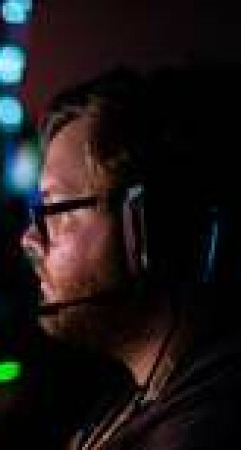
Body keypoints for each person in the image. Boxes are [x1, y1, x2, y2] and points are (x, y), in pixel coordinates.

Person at [20, 65, 241, 449]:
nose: (30, 239)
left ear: (150, 223)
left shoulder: (199, 429)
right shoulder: (147, 391)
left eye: (57, 210)